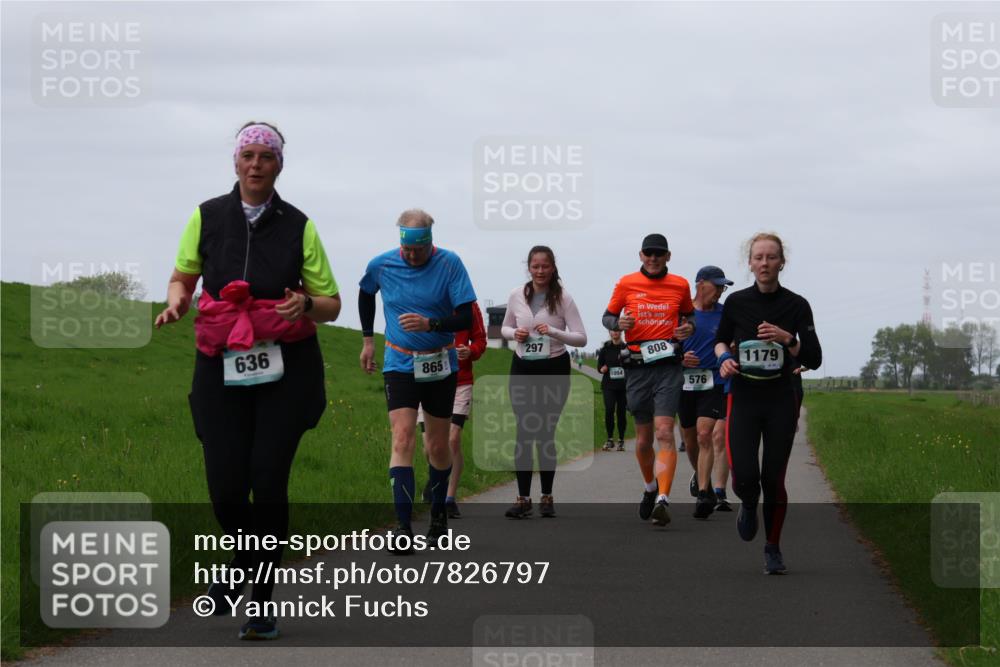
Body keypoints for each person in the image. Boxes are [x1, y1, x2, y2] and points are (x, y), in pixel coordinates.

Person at [155, 121, 342, 640]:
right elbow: (182, 277)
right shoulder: (206, 216)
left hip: (286, 365)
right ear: (234, 162)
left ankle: (259, 599)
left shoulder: (299, 225)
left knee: (267, 478)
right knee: (225, 487)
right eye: (248, 155)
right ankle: (242, 565)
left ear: (279, 165)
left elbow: (331, 304)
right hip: (221, 361)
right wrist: (176, 300)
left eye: (266, 156)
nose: (256, 164)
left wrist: (305, 303)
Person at [359, 210, 476, 552]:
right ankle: (403, 526)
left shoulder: (450, 263)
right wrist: (368, 340)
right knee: (403, 438)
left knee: (437, 447)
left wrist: (431, 325)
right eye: (407, 250)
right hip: (399, 361)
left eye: (419, 250)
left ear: (429, 242)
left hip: (440, 361)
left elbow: (465, 316)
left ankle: (438, 512)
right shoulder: (382, 264)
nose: (412, 256)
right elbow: (366, 293)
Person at [716, 232, 822, 574]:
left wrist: (787, 339)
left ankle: (773, 547)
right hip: (745, 394)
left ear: (782, 262)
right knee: (744, 476)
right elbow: (720, 342)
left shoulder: (797, 304)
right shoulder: (736, 303)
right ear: (750, 263)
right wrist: (723, 360)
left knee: (773, 478)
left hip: (782, 396)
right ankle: (748, 501)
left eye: (771, 257)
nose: (764, 263)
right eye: (758, 257)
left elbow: (815, 357)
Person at [603, 234, 694, 527]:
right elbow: (607, 316)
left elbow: (690, 319)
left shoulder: (680, 284)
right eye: (648, 254)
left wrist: (686, 329)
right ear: (640, 255)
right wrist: (619, 324)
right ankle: (650, 487)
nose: (653, 259)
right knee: (643, 439)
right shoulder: (626, 283)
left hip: (668, 366)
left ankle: (663, 499)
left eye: (659, 254)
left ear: (668, 256)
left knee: (665, 430)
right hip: (637, 367)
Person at [501, 246, 587, 519]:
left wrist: (553, 331)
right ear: (529, 267)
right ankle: (522, 498)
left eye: (544, 266)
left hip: (554, 368)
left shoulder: (563, 299)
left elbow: (581, 338)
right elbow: (504, 327)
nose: (539, 271)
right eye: (535, 266)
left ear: (553, 268)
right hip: (523, 367)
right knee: (524, 431)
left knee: (545, 432)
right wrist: (516, 333)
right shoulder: (516, 295)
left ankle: (547, 496)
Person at [418, 301, 488, 518]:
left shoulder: (468, 305)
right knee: (430, 445)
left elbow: (480, 340)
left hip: (460, 380)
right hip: (428, 377)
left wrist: (471, 351)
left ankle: (448, 497)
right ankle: (436, 483)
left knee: (453, 439)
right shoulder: (423, 295)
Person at [678, 266, 734, 519]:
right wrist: (680, 357)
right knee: (690, 441)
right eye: (717, 285)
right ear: (701, 284)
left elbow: (737, 339)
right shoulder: (681, 313)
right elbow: (664, 345)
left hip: (714, 381)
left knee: (705, 434)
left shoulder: (725, 314)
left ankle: (703, 494)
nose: (721, 291)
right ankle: (705, 483)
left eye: (723, 287)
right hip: (684, 383)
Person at [597, 330, 629, 451]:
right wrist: (602, 369)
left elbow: (631, 364)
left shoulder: (626, 348)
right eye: (612, 331)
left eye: (617, 330)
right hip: (608, 385)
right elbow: (599, 367)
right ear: (610, 333)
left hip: (623, 386)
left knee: (621, 412)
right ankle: (610, 439)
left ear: (620, 332)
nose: (615, 333)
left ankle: (621, 440)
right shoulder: (605, 349)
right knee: (609, 410)